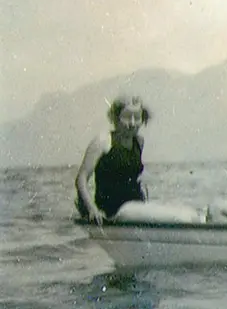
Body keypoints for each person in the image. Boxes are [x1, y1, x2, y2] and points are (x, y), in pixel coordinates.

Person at [74, 95, 203, 224]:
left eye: (137, 118)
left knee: (192, 213)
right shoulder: (103, 141)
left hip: (136, 208)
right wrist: (92, 210)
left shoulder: (139, 142)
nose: (132, 123)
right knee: (182, 218)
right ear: (115, 118)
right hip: (115, 211)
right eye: (126, 117)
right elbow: (81, 178)